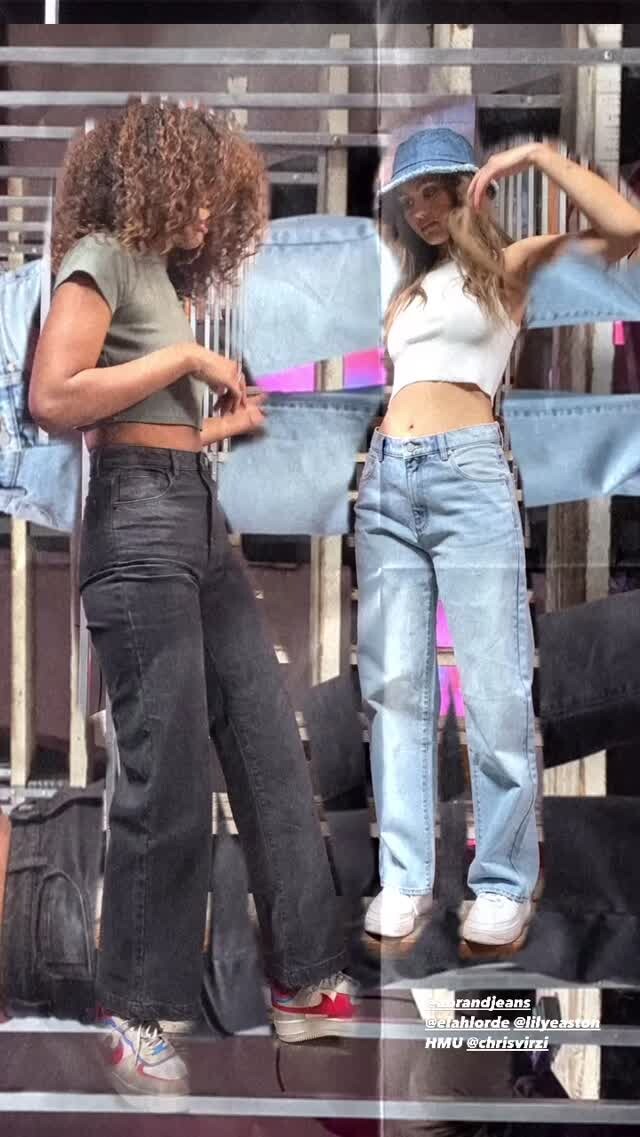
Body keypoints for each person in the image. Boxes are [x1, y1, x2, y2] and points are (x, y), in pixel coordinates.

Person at [29, 101, 355, 1099]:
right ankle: (137, 1015)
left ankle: (305, 981)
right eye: (201, 192)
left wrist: (218, 425)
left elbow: (145, 425)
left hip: (188, 510)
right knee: (165, 773)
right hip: (137, 523)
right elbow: (54, 396)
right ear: (157, 179)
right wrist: (186, 360)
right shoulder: (101, 257)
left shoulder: (157, 281)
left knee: (267, 743)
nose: (211, 213)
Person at [356, 127, 640, 947]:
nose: (421, 210)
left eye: (434, 191)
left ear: (466, 188)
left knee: (496, 685)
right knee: (396, 687)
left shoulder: (508, 268)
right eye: (410, 199)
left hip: (469, 473)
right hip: (388, 480)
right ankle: (404, 876)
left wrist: (535, 158)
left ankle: (504, 879)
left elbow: (625, 228)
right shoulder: (408, 293)